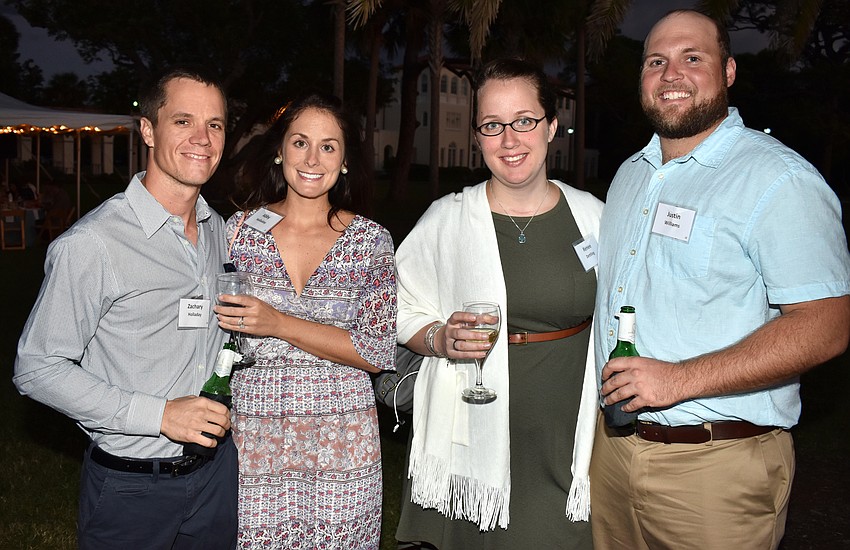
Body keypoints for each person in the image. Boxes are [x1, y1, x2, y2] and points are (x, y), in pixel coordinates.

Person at [591, 9, 850, 550]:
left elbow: (826, 326)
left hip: (717, 467)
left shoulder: (779, 180)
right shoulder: (628, 176)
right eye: (655, 61)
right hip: (614, 455)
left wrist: (678, 380)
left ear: (728, 71)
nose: (671, 74)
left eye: (692, 58)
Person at [14, 67, 238, 549]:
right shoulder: (94, 243)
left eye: (215, 125)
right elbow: (36, 368)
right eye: (183, 121)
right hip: (133, 487)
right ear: (148, 130)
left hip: (216, 473)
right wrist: (158, 415)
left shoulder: (217, 228)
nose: (202, 138)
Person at [393, 58, 602, 549]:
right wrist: (438, 337)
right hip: (472, 435)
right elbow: (392, 303)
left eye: (525, 121)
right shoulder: (446, 219)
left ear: (551, 127)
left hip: (566, 434)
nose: (510, 140)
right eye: (492, 126)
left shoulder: (594, 217)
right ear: (477, 136)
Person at [214, 92, 397, 548]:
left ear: (346, 160)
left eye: (328, 146)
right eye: (300, 142)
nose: (312, 158)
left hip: (343, 437)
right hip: (255, 432)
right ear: (280, 150)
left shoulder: (370, 242)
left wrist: (279, 323)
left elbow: (375, 352)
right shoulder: (237, 232)